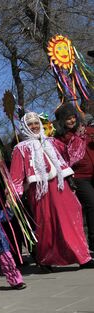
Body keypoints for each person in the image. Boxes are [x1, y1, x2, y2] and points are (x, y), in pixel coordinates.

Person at [10, 112, 94, 268]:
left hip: (60, 186)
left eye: (36, 123)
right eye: (30, 124)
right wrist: (14, 195)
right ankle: (46, 258)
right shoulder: (20, 148)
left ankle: (82, 256)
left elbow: (71, 156)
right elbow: (16, 176)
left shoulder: (52, 142)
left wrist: (78, 138)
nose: (34, 126)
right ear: (25, 128)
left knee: (72, 217)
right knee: (47, 224)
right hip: (39, 191)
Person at [54, 102, 94, 250]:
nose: (71, 121)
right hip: (80, 176)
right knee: (92, 205)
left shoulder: (88, 130)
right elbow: (65, 157)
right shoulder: (61, 138)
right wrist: (76, 138)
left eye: (73, 117)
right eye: (67, 119)